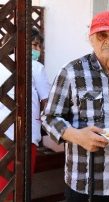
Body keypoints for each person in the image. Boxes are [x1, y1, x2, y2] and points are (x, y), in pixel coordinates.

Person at [41, 11, 109, 202]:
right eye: (102, 35)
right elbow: (49, 118)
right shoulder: (71, 72)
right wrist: (77, 136)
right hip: (86, 185)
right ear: (91, 39)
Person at [0, 28, 51, 201]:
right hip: (26, 135)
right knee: (22, 185)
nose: (37, 50)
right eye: (34, 45)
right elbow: (48, 102)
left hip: (2, 135)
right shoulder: (35, 67)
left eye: (39, 46)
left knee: (3, 184)